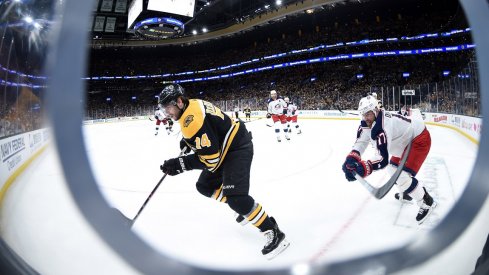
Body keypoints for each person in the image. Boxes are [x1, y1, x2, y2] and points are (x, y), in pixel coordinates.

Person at [158, 84, 290, 259]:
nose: (167, 113)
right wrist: (189, 142)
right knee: (204, 185)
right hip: (226, 147)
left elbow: (212, 162)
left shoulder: (192, 120)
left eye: (168, 108)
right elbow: (209, 128)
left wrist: (180, 164)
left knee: (236, 199)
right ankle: (245, 210)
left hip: (237, 147)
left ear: (180, 102)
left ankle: (273, 231)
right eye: (164, 109)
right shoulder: (193, 104)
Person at [341, 95, 436, 224]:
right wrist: (351, 159)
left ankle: (426, 202)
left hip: (418, 139)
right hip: (404, 142)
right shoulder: (368, 123)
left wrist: (362, 168)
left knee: (401, 175)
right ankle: (407, 191)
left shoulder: (384, 126)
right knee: (392, 170)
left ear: (376, 111)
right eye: (363, 114)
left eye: (368, 114)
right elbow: (361, 142)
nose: (366, 118)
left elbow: (382, 159)